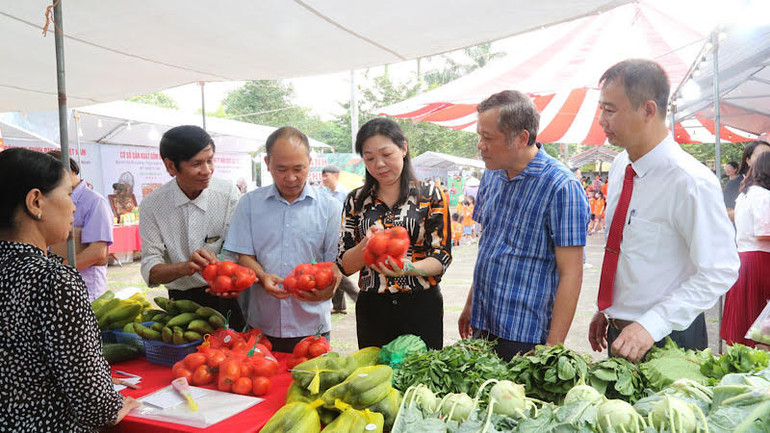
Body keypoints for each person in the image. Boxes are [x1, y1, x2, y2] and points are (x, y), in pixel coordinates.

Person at [588, 59, 740, 362]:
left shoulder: (690, 181)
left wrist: (650, 324)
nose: (602, 121)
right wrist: (609, 310)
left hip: (671, 339)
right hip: (620, 335)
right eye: (601, 109)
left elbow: (719, 270)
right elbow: (630, 254)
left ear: (648, 110)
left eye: (610, 110)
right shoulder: (621, 167)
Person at [0, 148, 139, 431]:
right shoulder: (53, 280)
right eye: (67, 195)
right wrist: (111, 403)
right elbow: (96, 406)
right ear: (35, 201)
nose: (74, 207)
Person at [458, 90, 590, 361]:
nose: (480, 146)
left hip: (526, 334)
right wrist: (471, 303)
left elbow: (572, 274)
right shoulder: (492, 174)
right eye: (479, 136)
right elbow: (489, 245)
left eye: (488, 138)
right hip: (484, 323)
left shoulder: (561, 187)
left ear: (521, 138)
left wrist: (551, 351)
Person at [222, 126, 342, 353]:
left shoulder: (330, 207)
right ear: (267, 163)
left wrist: (331, 288)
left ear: (309, 162)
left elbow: (334, 262)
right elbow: (243, 254)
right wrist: (263, 276)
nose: (291, 177)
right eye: (281, 169)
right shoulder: (249, 204)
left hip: (312, 326)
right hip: (261, 324)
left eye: (299, 168)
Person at [338, 118, 452, 350]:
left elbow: (442, 256)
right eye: (369, 158)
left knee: (420, 379)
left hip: (420, 306)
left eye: (386, 154)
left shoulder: (430, 195)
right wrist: (365, 248)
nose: (379, 164)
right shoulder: (356, 201)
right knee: (375, 379)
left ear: (404, 148)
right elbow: (344, 265)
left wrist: (409, 268)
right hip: (373, 308)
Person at [139, 125, 246, 330]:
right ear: (171, 166)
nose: (207, 171)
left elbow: (237, 250)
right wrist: (183, 268)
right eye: (196, 164)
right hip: (181, 303)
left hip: (226, 296)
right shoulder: (153, 205)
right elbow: (150, 268)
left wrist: (225, 274)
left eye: (210, 160)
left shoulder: (228, 195)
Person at [47, 151, 113, 301]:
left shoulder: (95, 202)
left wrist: (55, 271)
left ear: (68, 171)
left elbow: (98, 253)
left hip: (86, 291)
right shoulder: (55, 200)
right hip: (60, 287)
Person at [722, 152, 770, 347]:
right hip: (760, 260)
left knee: (744, 317)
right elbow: (763, 233)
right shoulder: (763, 196)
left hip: (744, 259)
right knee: (758, 321)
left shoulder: (745, 195)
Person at [321, 165, 360, 315]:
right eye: (323, 176)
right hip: (328, 236)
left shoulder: (345, 194)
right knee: (333, 270)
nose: (324, 179)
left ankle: (357, 299)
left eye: (327, 176)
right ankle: (339, 305)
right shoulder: (324, 194)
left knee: (338, 271)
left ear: (336, 175)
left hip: (341, 238)